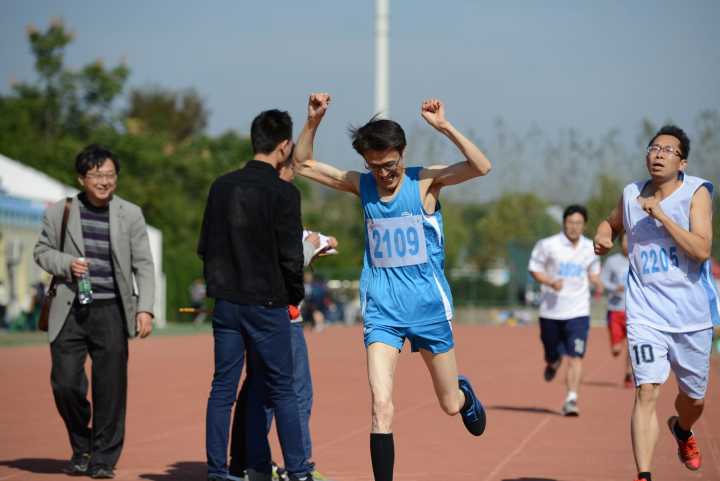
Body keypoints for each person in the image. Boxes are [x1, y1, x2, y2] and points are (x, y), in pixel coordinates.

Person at [293, 93, 489, 481]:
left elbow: (481, 166)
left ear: (402, 153)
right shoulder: (362, 185)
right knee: (381, 406)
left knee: (449, 404)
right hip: (383, 309)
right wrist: (313, 121)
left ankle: (463, 394)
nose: (384, 173)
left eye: (390, 164)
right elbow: (301, 164)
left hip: (428, 308)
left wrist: (444, 126)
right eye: (374, 166)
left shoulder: (425, 181)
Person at [594, 125, 719, 481]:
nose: (659, 154)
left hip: (691, 317)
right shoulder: (631, 193)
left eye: (668, 150)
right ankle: (644, 476)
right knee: (646, 390)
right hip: (645, 314)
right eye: (654, 148)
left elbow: (701, 250)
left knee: (693, 401)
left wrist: (661, 215)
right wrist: (603, 235)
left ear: (683, 163)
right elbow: (611, 223)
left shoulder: (696, 193)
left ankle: (682, 429)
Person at [198, 109, 312, 481]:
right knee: (283, 390)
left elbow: (206, 247)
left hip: (227, 303)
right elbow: (291, 256)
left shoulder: (220, 187)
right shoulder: (284, 193)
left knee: (222, 390)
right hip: (268, 304)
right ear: (285, 146)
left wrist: (219, 288)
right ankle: (299, 472)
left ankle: (218, 472)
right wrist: (294, 295)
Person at [33, 144, 155, 479]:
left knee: (111, 389)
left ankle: (102, 459)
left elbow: (144, 264)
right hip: (70, 309)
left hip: (112, 309)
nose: (104, 181)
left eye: (110, 175)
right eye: (96, 175)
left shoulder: (130, 214)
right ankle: (81, 444)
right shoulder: (60, 212)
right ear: (81, 178)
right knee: (65, 384)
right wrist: (66, 263)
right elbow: (41, 251)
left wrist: (145, 309)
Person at [227, 156, 338, 481]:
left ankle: (250, 464)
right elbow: (282, 261)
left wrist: (314, 246)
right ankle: (296, 467)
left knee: (258, 390)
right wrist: (310, 248)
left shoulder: (246, 210)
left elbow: (322, 245)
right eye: (291, 171)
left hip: (259, 314)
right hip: (278, 318)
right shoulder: (273, 212)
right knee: (290, 393)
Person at [528, 205, 602, 416]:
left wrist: (597, 282)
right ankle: (553, 361)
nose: (574, 227)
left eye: (578, 223)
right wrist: (550, 281)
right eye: (570, 222)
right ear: (564, 223)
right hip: (551, 311)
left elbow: (593, 272)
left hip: (578, 311)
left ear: (584, 225)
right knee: (552, 354)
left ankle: (571, 399)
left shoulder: (590, 248)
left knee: (576, 356)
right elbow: (534, 269)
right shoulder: (548, 245)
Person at [600, 232, 632, 388]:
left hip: (634, 311)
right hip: (615, 310)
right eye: (625, 240)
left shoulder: (639, 259)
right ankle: (618, 342)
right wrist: (614, 287)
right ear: (620, 243)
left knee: (633, 346)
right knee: (616, 350)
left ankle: (628, 375)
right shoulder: (612, 261)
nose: (628, 243)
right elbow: (603, 280)